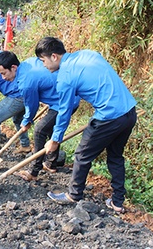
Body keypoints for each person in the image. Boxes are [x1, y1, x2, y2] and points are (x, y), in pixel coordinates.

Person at [34, 37, 137, 213]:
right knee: (115, 156)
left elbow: (64, 112)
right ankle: (118, 202)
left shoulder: (65, 78)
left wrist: (55, 139)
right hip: (128, 111)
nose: (43, 65)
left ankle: (74, 194)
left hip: (108, 116)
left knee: (82, 154)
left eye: (43, 60)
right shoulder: (88, 54)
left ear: (54, 56)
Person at [0, 52, 80, 180]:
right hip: (63, 96)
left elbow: (32, 104)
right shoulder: (28, 63)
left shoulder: (25, 82)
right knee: (51, 128)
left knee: (40, 130)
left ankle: (34, 171)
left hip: (65, 101)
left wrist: (27, 120)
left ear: (13, 67)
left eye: (3, 73)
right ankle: (51, 163)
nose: (3, 78)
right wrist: (27, 119)